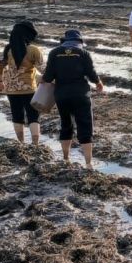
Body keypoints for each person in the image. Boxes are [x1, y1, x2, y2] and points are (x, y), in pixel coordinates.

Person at [42, 30, 104, 169]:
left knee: (66, 124)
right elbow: (91, 72)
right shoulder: (83, 53)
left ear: (64, 41)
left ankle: (66, 158)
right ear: (79, 41)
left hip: (61, 95)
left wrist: (42, 81)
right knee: (85, 126)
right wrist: (98, 83)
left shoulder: (54, 53)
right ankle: (88, 163)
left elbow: (48, 77)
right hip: (81, 94)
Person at [0, 21, 43, 145]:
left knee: (17, 116)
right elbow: (42, 68)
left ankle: (21, 143)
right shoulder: (33, 50)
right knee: (33, 117)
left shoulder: (8, 50)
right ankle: (35, 145)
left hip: (11, 89)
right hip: (29, 89)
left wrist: (0, 81)